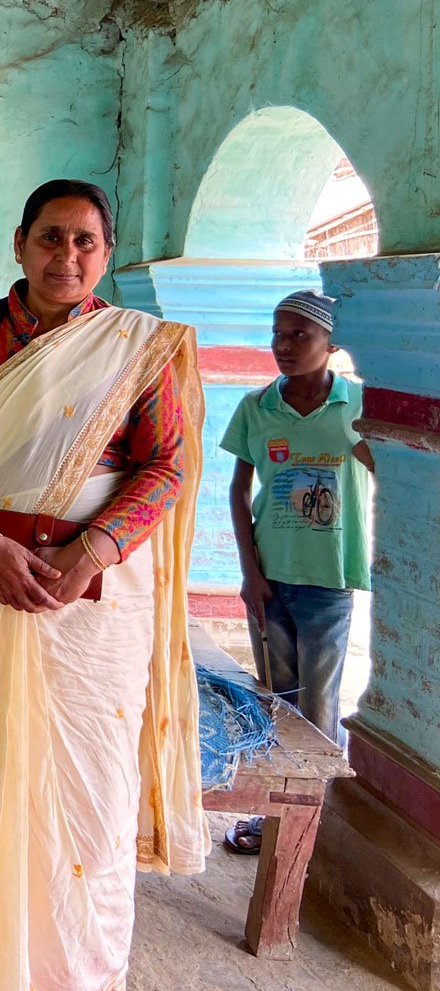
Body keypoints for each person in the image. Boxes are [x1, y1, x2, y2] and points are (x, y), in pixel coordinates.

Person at [0, 180, 208, 991]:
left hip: (95, 607)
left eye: (84, 242)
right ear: (19, 243)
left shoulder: (136, 346)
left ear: (105, 254)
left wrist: (92, 553)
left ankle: (75, 974)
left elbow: (166, 464)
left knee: (88, 794)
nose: (65, 256)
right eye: (50, 237)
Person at [220, 290, 373, 855]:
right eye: (277, 334)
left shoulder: (358, 405)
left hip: (330, 581)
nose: (283, 346)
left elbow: (395, 471)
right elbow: (238, 492)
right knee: (275, 699)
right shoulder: (257, 408)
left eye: (298, 336)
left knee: (319, 705)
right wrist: (250, 572)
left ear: (331, 346)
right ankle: (271, 819)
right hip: (270, 579)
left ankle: (316, 824)